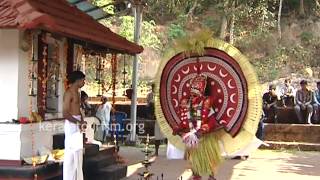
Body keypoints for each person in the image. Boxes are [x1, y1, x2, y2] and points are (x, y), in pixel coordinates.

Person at [63, 71, 86, 180]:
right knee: (70, 156)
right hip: (71, 125)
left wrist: (82, 120)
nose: (84, 82)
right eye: (83, 80)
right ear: (77, 80)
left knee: (78, 154)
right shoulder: (68, 93)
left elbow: (78, 110)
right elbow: (65, 113)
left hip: (77, 124)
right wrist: (77, 122)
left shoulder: (78, 92)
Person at [146, 83, 164, 156]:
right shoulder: (150, 95)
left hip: (163, 117)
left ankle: (171, 152)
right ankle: (156, 152)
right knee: (157, 135)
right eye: (154, 87)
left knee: (169, 135)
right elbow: (148, 106)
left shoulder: (162, 95)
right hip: (157, 118)